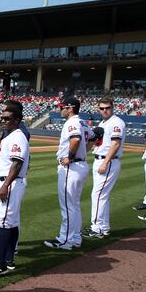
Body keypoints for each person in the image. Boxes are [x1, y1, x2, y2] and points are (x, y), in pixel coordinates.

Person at [0, 100, 29, 277]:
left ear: (17, 120)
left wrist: (6, 185)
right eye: (1, 118)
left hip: (10, 183)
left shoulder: (18, 136)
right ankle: (8, 259)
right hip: (9, 182)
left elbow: (17, 163)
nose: (3, 121)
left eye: (7, 118)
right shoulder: (10, 135)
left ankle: (0, 264)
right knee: (12, 222)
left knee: (3, 223)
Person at [44, 96, 89, 250]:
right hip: (80, 165)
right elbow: (96, 136)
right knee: (74, 205)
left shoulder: (72, 122)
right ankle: (75, 237)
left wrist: (70, 157)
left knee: (68, 206)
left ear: (70, 108)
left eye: (62, 107)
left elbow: (75, 140)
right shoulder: (82, 122)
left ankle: (65, 240)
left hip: (72, 167)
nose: (60, 109)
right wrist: (83, 153)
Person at [83, 97, 125, 239]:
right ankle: (104, 227)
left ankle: (96, 229)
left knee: (98, 195)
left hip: (108, 162)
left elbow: (115, 144)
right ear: (98, 109)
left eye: (107, 108)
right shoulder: (103, 122)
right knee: (102, 196)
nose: (105, 110)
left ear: (113, 108)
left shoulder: (116, 122)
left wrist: (105, 162)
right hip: (101, 160)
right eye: (102, 108)